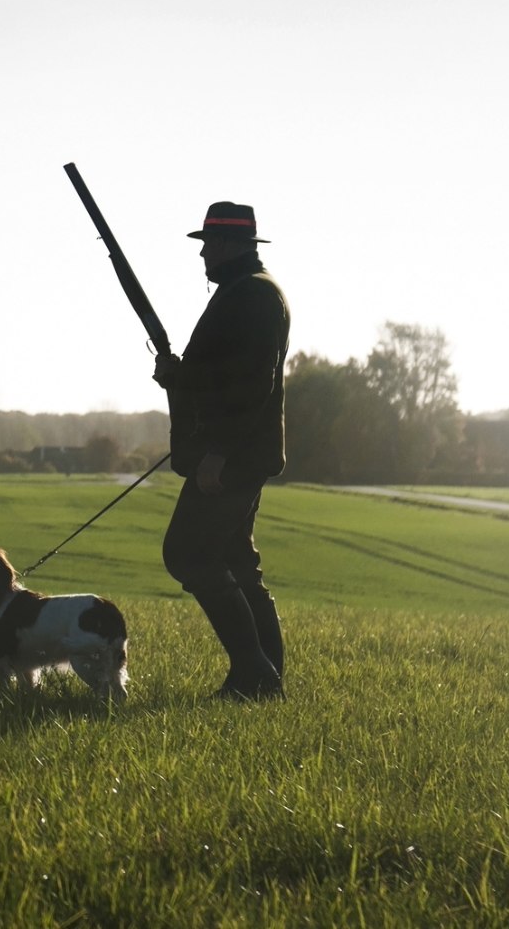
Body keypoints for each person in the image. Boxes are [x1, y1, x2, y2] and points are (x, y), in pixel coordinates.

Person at [154, 201, 289, 699]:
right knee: (234, 561)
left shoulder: (251, 295)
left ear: (232, 246)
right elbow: (222, 372)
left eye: (210, 243)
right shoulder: (246, 289)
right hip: (239, 452)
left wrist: (220, 453)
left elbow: (252, 383)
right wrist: (179, 375)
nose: (204, 254)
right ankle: (266, 682)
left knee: (186, 553)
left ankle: (253, 672)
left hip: (233, 455)